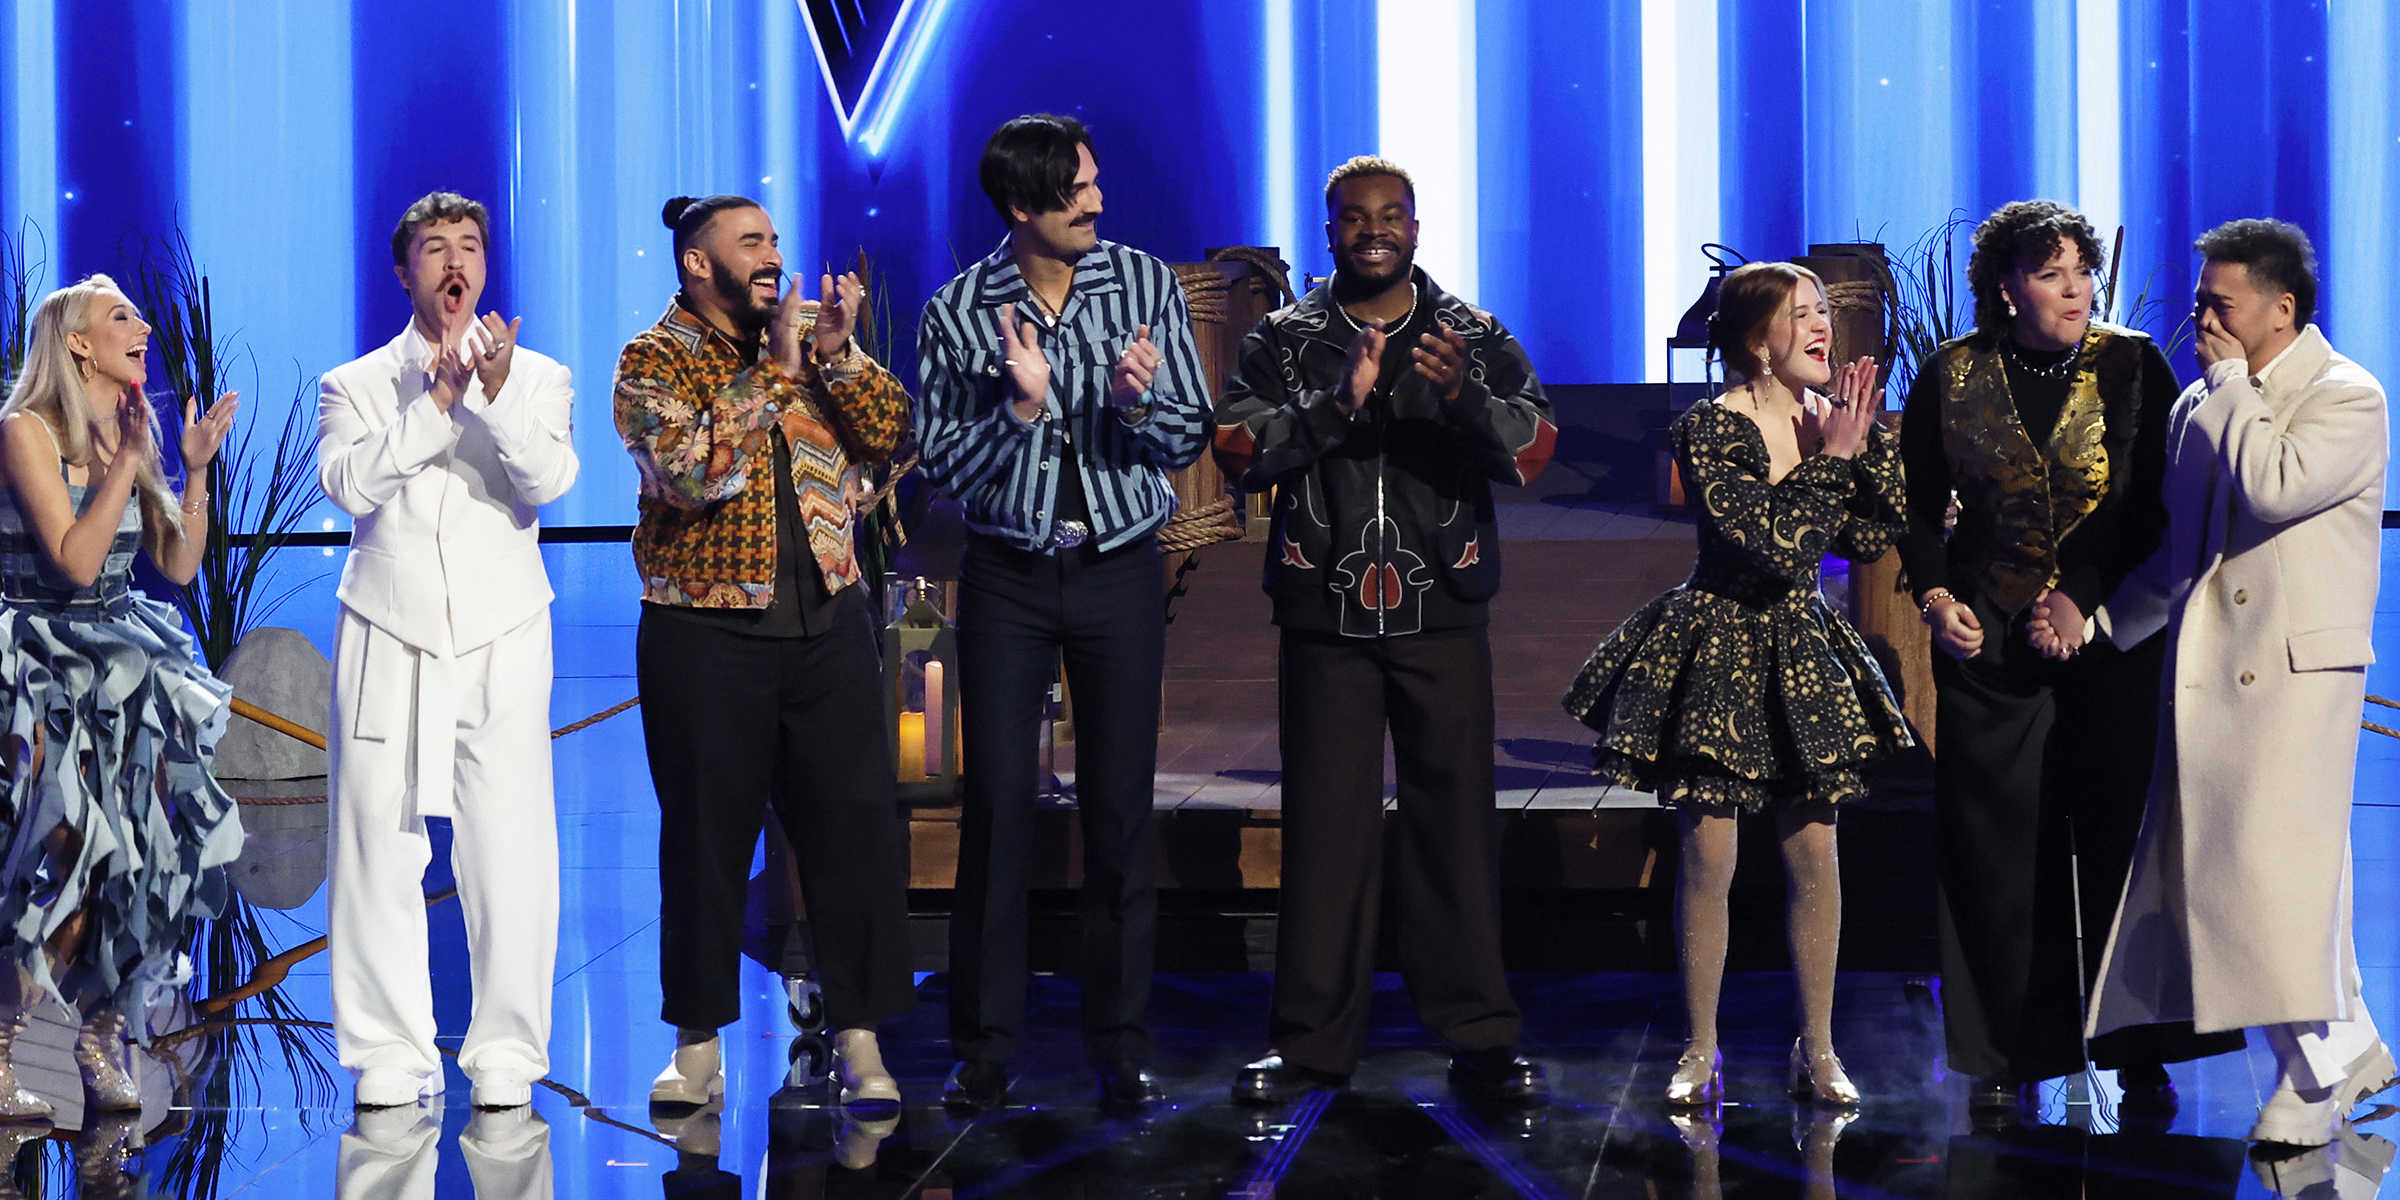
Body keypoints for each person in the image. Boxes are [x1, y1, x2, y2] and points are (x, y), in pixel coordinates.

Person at [1215, 156, 1557, 1104]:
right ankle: (1310, 1042)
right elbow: (1237, 447)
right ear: (1328, 233)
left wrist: (1462, 399)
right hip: (1322, 609)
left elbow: (1535, 444)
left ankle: (1480, 1033)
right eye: (1354, 217)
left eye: (1391, 215)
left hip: (1441, 606)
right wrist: (1337, 405)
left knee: (1456, 826)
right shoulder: (1283, 340)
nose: (1374, 230)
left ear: (1416, 226)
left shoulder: (1471, 336)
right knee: (1327, 829)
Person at [1895, 199, 2243, 1116]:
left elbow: (2158, 506)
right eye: (2052, 274)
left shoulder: (2135, 367)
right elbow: (1917, 509)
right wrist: (1936, 599)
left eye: (2083, 271)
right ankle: (2007, 1051)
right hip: (1990, 646)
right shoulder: (1952, 375)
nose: (2076, 289)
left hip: (2112, 640)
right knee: (1995, 852)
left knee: (2121, 843)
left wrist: (2081, 594)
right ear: (2006, 288)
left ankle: (2140, 1051)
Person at [915, 114, 1211, 1111]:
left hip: (1121, 569)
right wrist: (1023, 410)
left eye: (1094, 182)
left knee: (1120, 807)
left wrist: (1136, 400)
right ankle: (986, 1046)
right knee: (997, 804)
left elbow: (1185, 434)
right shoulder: (960, 312)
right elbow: (942, 468)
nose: (1096, 201)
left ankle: (1118, 1041)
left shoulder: (1142, 285)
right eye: (1076, 188)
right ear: (1021, 206)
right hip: (1007, 573)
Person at [1564, 263, 1906, 1108]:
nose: (1824, 326)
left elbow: (1871, 534)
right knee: (1710, 854)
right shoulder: (1711, 429)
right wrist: (1835, 461)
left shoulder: (1831, 421)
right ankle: (1701, 1046)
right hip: (1718, 645)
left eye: (1826, 311)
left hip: (1802, 648)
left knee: (1815, 851)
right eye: (1803, 314)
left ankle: (1818, 1048)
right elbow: (1773, 545)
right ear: (1758, 339)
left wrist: (1864, 448)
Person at [2086, 220, 2391, 1146]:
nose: (2202, 315)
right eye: (2200, 298)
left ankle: (2311, 1082)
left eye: (2221, 302)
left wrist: (2229, 387)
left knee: (2269, 878)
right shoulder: (2203, 406)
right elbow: (2191, 554)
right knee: (2252, 879)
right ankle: (2355, 1050)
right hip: (2212, 675)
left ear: (2281, 309)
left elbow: (2275, 486)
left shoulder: (2347, 396)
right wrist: (2104, 623)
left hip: (2298, 677)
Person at [616, 195, 917, 1110]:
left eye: (775, 240)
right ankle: (696, 1044)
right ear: (699, 265)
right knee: (705, 840)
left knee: (854, 833)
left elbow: (895, 436)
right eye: (751, 243)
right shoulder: (654, 357)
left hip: (828, 623)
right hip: (704, 634)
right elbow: (692, 472)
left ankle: (860, 1038)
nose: (772, 256)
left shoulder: (808, 349)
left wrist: (836, 356)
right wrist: (777, 377)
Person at [318, 192, 580, 1110]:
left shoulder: (539, 376)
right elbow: (351, 486)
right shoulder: (355, 384)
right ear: (407, 272)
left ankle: (507, 1050)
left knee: (509, 847)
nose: (455, 262)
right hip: (388, 628)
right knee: (374, 846)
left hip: (502, 630)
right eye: (436, 248)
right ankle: (388, 1051)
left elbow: (547, 478)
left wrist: (494, 395)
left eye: (470, 245)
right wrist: (434, 404)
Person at [0, 275, 244, 1116]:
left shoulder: (123, 432)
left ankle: (102, 1035)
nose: (141, 328)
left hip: (120, 665)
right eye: (121, 318)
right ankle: (3, 1042)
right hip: (41, 664)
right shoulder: (23, 429)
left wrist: (195, 470)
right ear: (76, 343)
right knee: (63, 864)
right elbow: (70, 561)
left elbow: (177, 566)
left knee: (129, 871)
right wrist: (128, 466)